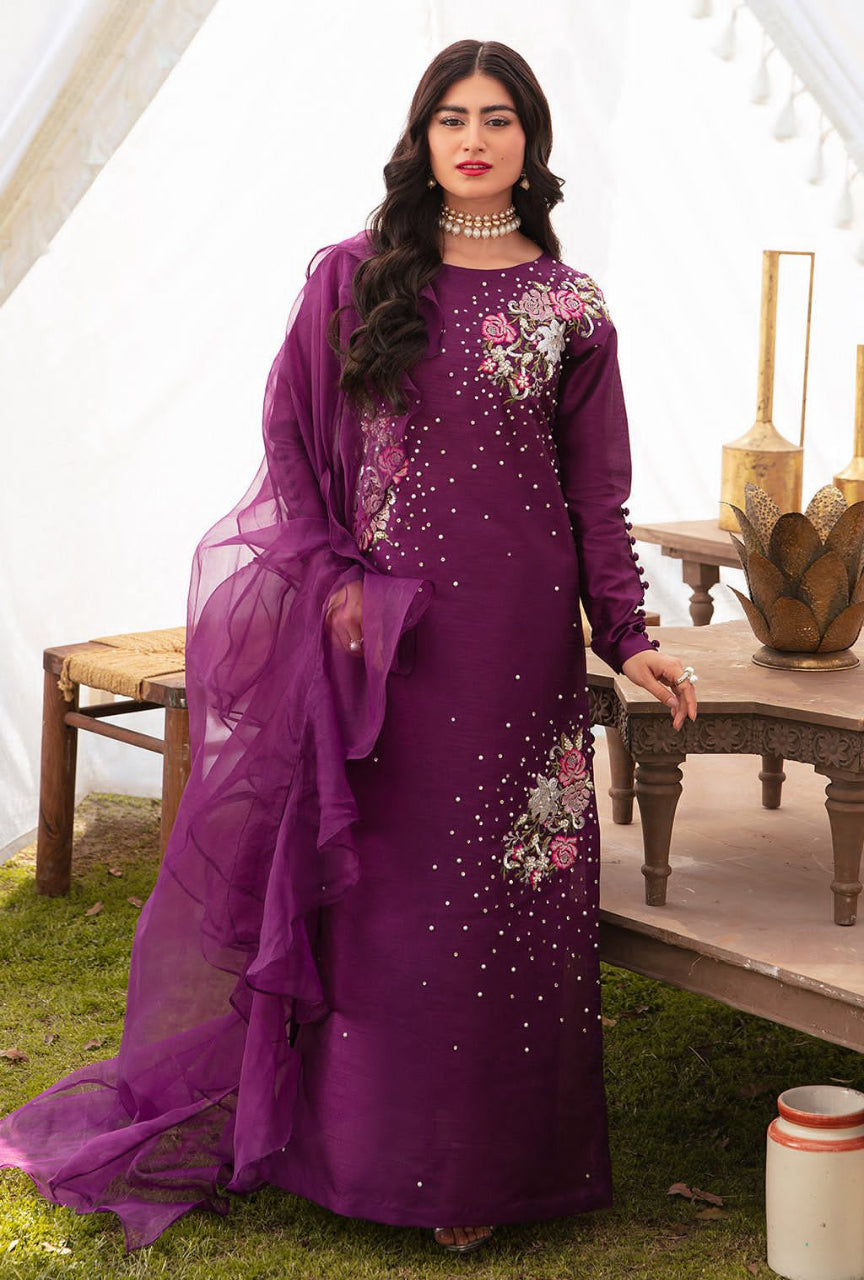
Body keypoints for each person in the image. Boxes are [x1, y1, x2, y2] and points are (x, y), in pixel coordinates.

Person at [0, 38, 697, 1259]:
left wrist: (631, 635)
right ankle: (364, 1154)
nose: (473, 139)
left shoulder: (575, 308)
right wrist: (329, 584)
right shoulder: (358, 278)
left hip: (520, 648)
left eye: (498, 119)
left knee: (503, 905)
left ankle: (488, 1167)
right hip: (390, 643)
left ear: (533, 141)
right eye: (449, 118)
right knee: (386, 904)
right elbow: (290, 444)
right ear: (420, 137)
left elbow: (597, 497)